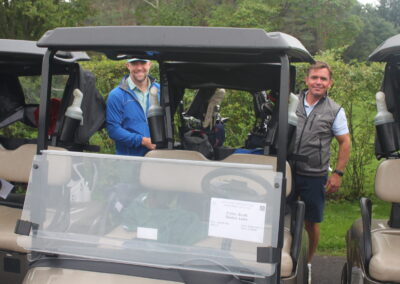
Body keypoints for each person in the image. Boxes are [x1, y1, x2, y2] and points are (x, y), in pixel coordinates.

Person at [292, 61, 351, 273]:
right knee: (281, 218)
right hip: (287, 171)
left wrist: (337, 173)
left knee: (311, 222)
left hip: (314, 175)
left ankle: (307, 262)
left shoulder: (335, 110)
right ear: (307, 80)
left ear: (329, 83)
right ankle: (283, 259)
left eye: (323, 79)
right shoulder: (291, 102)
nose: (318, 82)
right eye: (315, 77)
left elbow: (345, 142)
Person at [106, 58, 159, 156]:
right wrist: (142, 141)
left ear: (149, 64)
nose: (139, 68)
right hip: (129, 160)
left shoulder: (160, 91)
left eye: (143, 63)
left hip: (157, 157)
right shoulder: (116, 95)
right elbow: (113, 129)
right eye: (134, 63)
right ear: (128, 66)